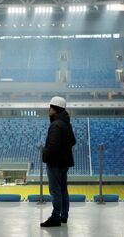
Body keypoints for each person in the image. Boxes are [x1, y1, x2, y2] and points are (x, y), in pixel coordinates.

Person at [40, 96, 76, 228]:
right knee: (63, 190)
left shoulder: (55, 125)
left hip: (55, 163)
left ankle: (55, 217)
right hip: (65, 162)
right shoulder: (66, 123)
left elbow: (53, 146)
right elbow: (73, 141)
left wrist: (45, 153)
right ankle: (64, 215)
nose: (49, 109)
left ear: (55, 109)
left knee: (55, 191)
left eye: (51, 107)